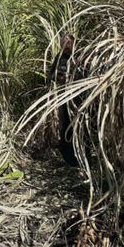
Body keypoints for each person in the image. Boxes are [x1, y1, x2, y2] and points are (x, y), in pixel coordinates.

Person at [49, 33, 80, 167]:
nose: (64, 46)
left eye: (67, 43)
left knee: (79, 127)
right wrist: (59, 78)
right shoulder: (60, 58)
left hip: (80, 99)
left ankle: (81, 159)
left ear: (73, 43)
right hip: (65, 99)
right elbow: (51, 75)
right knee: (66, 126)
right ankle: (68, 159)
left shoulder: (81, 56)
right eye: (62, 44)